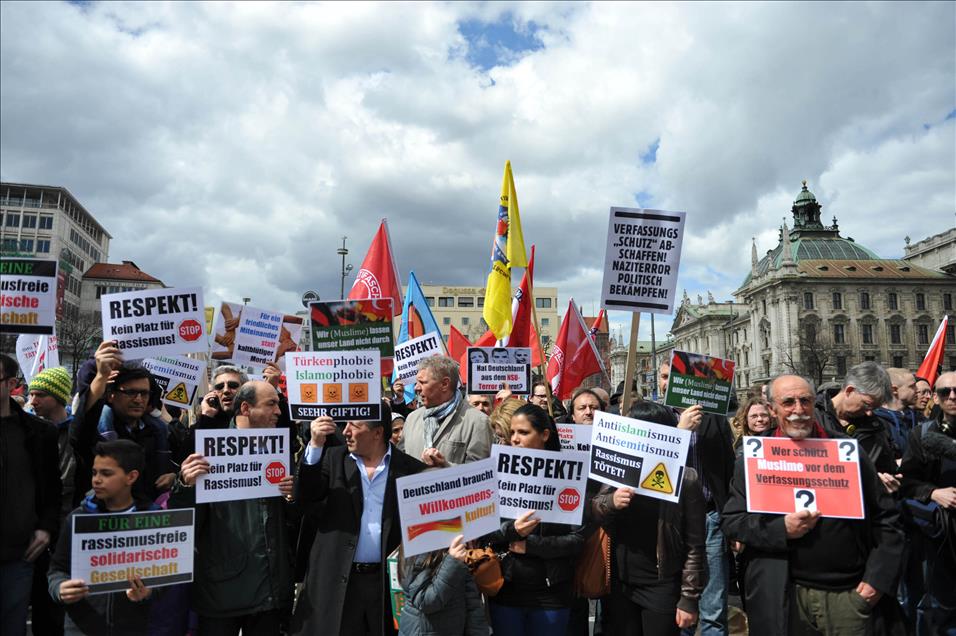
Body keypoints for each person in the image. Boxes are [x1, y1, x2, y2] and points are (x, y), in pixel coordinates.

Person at [722, 374, 905, 634]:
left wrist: (876, 581)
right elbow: (732, 522)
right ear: (773, 409)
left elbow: (887, 519)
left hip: (847, 597)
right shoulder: (754, 458)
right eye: (788, 402)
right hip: (782, 598)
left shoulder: (846, 451)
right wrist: (780, 529)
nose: (799, 410)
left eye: (805, 401)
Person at [170, 380, 296, 634]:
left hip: (270, 593)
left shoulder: (279, 451)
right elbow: (185, 524)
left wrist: (293, 497)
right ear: (246, 408)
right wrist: (185, 486)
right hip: (222, 595)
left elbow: (289, 522)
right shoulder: (208, 453)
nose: (279, 412)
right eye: (271, 404)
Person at [291, 402, 425, 635]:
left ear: (377, 433)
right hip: (337, 582)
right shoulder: (332, 459)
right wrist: (314, 446)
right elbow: (306, 497)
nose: (346, 431)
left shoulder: (411, 470)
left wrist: (439, 472)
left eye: (355, 424)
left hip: (384, 585)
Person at [592, 400, 707, 636]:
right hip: (620, 584)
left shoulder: (686, 479)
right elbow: (595, 510)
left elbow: (695, 545)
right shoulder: (618, 467)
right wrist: (611, 502)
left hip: (660, 585)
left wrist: (688, 598)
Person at [486, 403, 589, 635]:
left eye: (523, 432)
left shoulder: (569, 474)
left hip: (551, 594)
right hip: (505, 589)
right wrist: (511, 530)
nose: (514, 439)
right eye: (512, 432)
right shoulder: (497, 473)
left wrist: (531, 545)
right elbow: (483, 529)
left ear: (544, 435)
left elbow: (577, 540)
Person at [657, 362, 736, 636]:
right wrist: (681, 430)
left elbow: (728, 470)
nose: (668, 383)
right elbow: (652, 469)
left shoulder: (714, 418)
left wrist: (732, 519)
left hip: (709, 518)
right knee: (676, 609)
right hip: (668, 521)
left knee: (713, 606)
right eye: (664, 377)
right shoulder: (655, 417)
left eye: (675, 377)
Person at [48, 440, 157, 634]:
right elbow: (57, 569)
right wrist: (59, 588)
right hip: (81, 627)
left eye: (106, 473)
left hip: (132, 626)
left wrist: (148, 591)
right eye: (94, 472)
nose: (96, 480)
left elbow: (166, 575)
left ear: (131, 477)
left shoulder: (152, 521)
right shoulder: (78, 519)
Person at [0, 354, 61, 636]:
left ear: (11, 383)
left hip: (18, 555)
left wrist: (45, 528)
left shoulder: (39, 433)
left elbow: (51, 489)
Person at [73, 342, 175, 504]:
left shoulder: (155, 433)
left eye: (144, 393)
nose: (139, 399)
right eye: (130, 392)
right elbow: (81, 429)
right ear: (111, 395)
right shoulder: (98, 433)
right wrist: (100, 376)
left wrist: (174, 476)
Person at [899, 371, 956, 634]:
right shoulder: (921, 435)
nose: (952, 397)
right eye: (945, 392)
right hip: (941, 536)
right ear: (935, 397)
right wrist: (934, 493)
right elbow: (908, 482)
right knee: (941, 607)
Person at [26, 366, 76, 636]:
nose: (32, 401)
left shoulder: (75, 434)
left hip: (64, 526)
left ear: (57, 397)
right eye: (31, 395)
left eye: (39, 395)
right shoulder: (29, 432)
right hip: (34, 528)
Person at [401, 356, 494, 467]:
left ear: (445, 384)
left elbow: (482, 474)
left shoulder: (478, 422)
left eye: (422, 382)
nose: (416, 388)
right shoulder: (412, 419)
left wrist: (445, 466)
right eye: (417, 382)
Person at [817, 361, 899, 484]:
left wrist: (884, 484)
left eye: (875, 408)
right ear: (849, 391)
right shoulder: (812, 418)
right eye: (867, 404)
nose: (869, 413)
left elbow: (887, 469)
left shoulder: (877, 428)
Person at [397, 535, 488, 635]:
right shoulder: (418, 543)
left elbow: (470, 599)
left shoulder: (452, 543)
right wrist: (453, 561)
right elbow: (425, 601)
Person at [875, 368, 920, 462]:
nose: (918, 390)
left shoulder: (919, 419)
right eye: (912, 386)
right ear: (894, 390)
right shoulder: (876, 423)